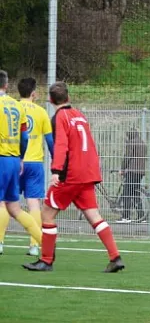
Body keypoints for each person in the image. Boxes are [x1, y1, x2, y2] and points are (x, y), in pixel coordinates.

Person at [23, 81, 124, 272]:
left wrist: (56, 171)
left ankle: (46, 260)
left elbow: (61, 145)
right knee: (93, 215)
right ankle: (115, 257)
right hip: (87, 173)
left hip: (70, 175)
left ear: (50, 100)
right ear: (68, 97)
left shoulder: (59, 117)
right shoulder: (79, 115)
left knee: (47, 213)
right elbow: (89, 145)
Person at [0, 78, 54, 257]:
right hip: (29, 162)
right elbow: (46, 140)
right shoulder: (39, 111)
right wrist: (57, 164)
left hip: (8, 158)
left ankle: (0, 242)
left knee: (4, 204)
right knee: (30, 205)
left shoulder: (14, 105)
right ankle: (37, 245)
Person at [116, 128, 147, 223]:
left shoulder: (131, 143)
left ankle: (126, 217)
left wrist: (122, 169)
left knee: (127, 194)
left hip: (131, 171)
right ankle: (141, 216)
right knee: (135, 193)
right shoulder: (143, 144)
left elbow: (127, 157)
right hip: (140, 172)